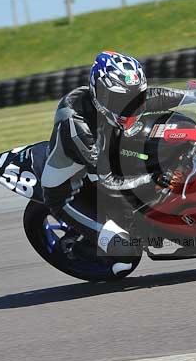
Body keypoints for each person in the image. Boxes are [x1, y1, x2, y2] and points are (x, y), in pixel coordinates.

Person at [41, 50, 185, 275]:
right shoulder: (78, 128)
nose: (131, 106)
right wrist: (154, 178)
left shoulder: (113, 102)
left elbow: (155, 96)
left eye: (135, 98)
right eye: (122, 100)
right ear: (100, 93)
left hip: (105, 155)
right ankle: (76, 248)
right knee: (125, 256)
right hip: (71, 191)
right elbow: (106, 182)